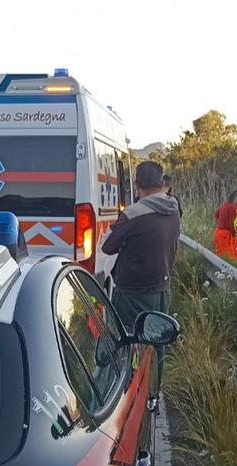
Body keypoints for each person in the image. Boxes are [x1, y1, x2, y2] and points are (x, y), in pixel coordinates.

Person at [101, 161, 180, 402]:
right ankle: (154, 393)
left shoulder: (134, 213)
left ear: (137, 185)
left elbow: (108, 246)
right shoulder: (174, 208)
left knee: (125, 339)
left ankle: (124, 391)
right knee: (158, 340)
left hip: (131, 291)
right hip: (162, 287)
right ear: (161, 183)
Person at [213, 191, 237, 259]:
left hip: (218, 232)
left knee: (220, 255)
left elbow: (216, 215)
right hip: (226, 235)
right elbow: (232, 225)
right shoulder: (232, 208)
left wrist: (221, 223)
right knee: (229, 258)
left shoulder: (224, 204)